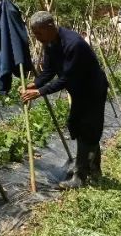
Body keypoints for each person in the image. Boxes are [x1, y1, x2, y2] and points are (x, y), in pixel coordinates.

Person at [21, 11, 109, 189]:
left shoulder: (73, 44)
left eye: (38, 33)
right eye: (34, 33)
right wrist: (34, 84)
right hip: (79, 91)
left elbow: (67, 78)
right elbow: (49, 71)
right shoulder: (50, 43)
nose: (36, 37)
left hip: (92, 91)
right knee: (76, 125)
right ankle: (92, 169)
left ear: (50, 27)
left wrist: (40, 92)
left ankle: (80, 176)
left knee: (87, 129)